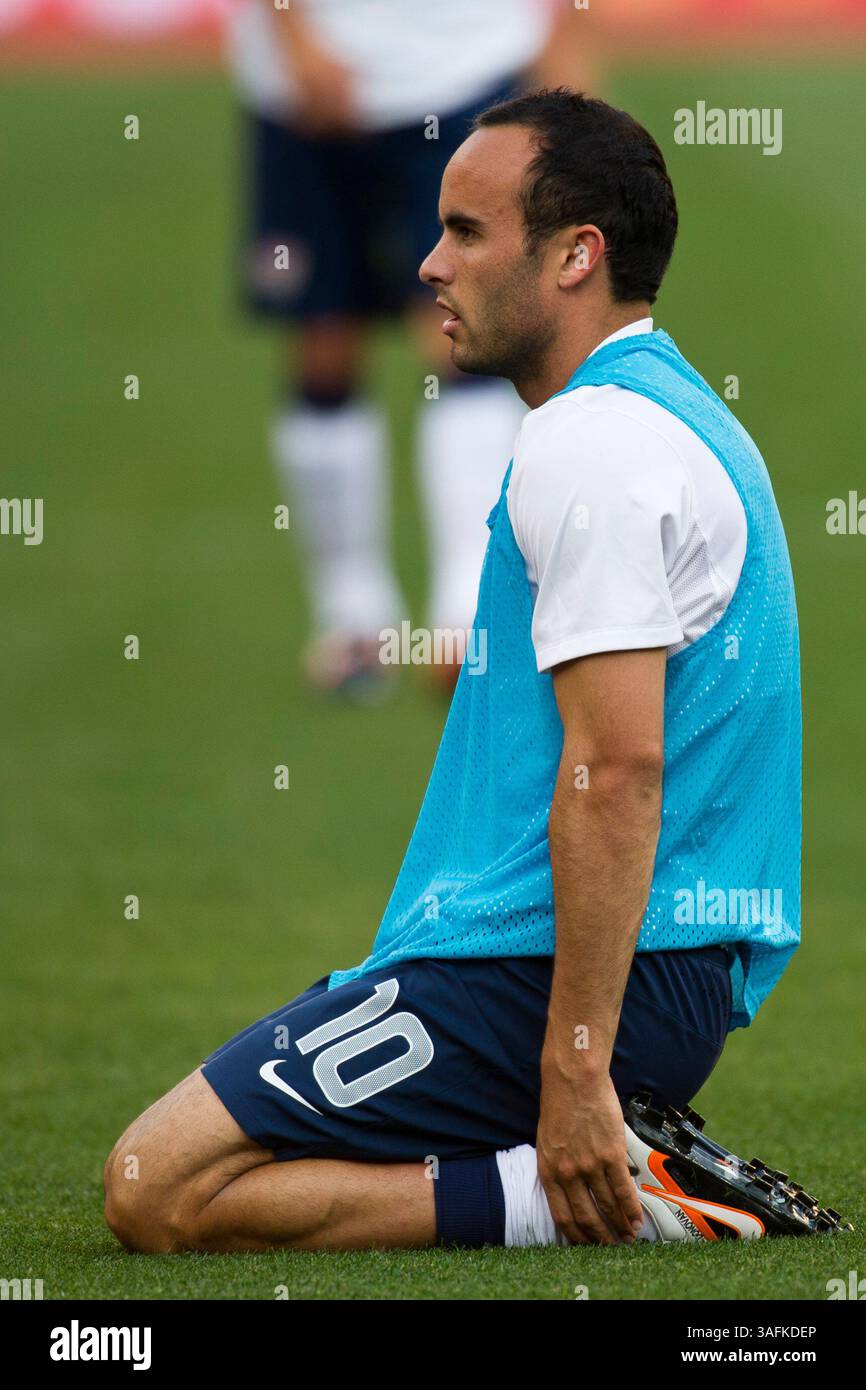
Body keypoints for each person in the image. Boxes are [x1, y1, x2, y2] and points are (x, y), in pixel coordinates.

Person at [105, 90, 839, 1253]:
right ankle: (596, 1176)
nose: (429, 263)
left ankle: (610, 1197)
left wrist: (575, 1071)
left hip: (571, 972)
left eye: (466, 232)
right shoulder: (671, 410)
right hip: (634, 964)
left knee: (160, 1185)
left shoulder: (589, 443)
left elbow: (618, 769)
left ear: (573, 258)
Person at [228, 0, 581, 694]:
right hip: (305, 89)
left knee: (463, 333)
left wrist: (566, 46)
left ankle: (465, 613)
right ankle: (353, 619)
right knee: (323, 342)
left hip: (464, 72)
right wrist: (295, 34)